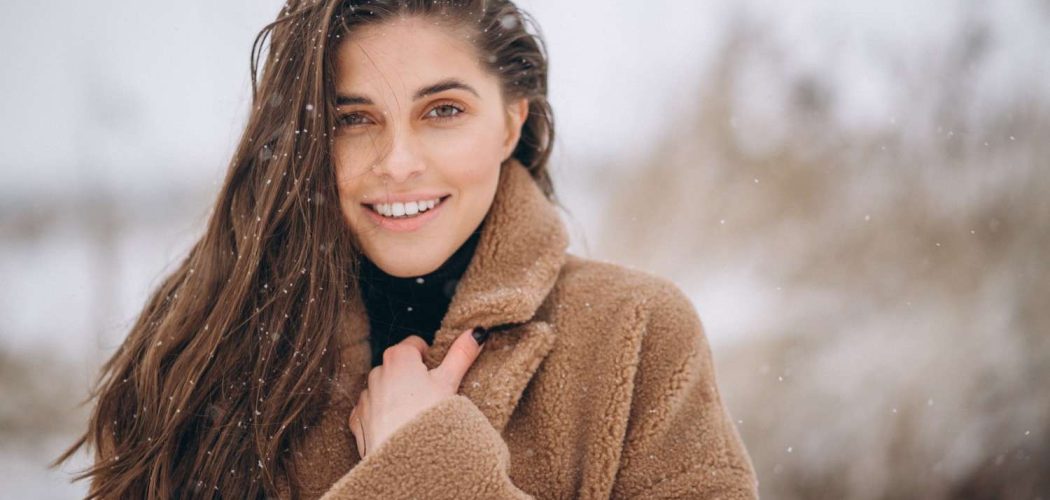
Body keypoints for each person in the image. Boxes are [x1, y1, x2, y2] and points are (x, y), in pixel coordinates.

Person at [57, 1, 758, 498]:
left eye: (443, 111)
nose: (397, 162)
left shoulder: (634, 335)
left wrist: (431, 468)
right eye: (354, 119)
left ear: (512, 119)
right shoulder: (206, 345)